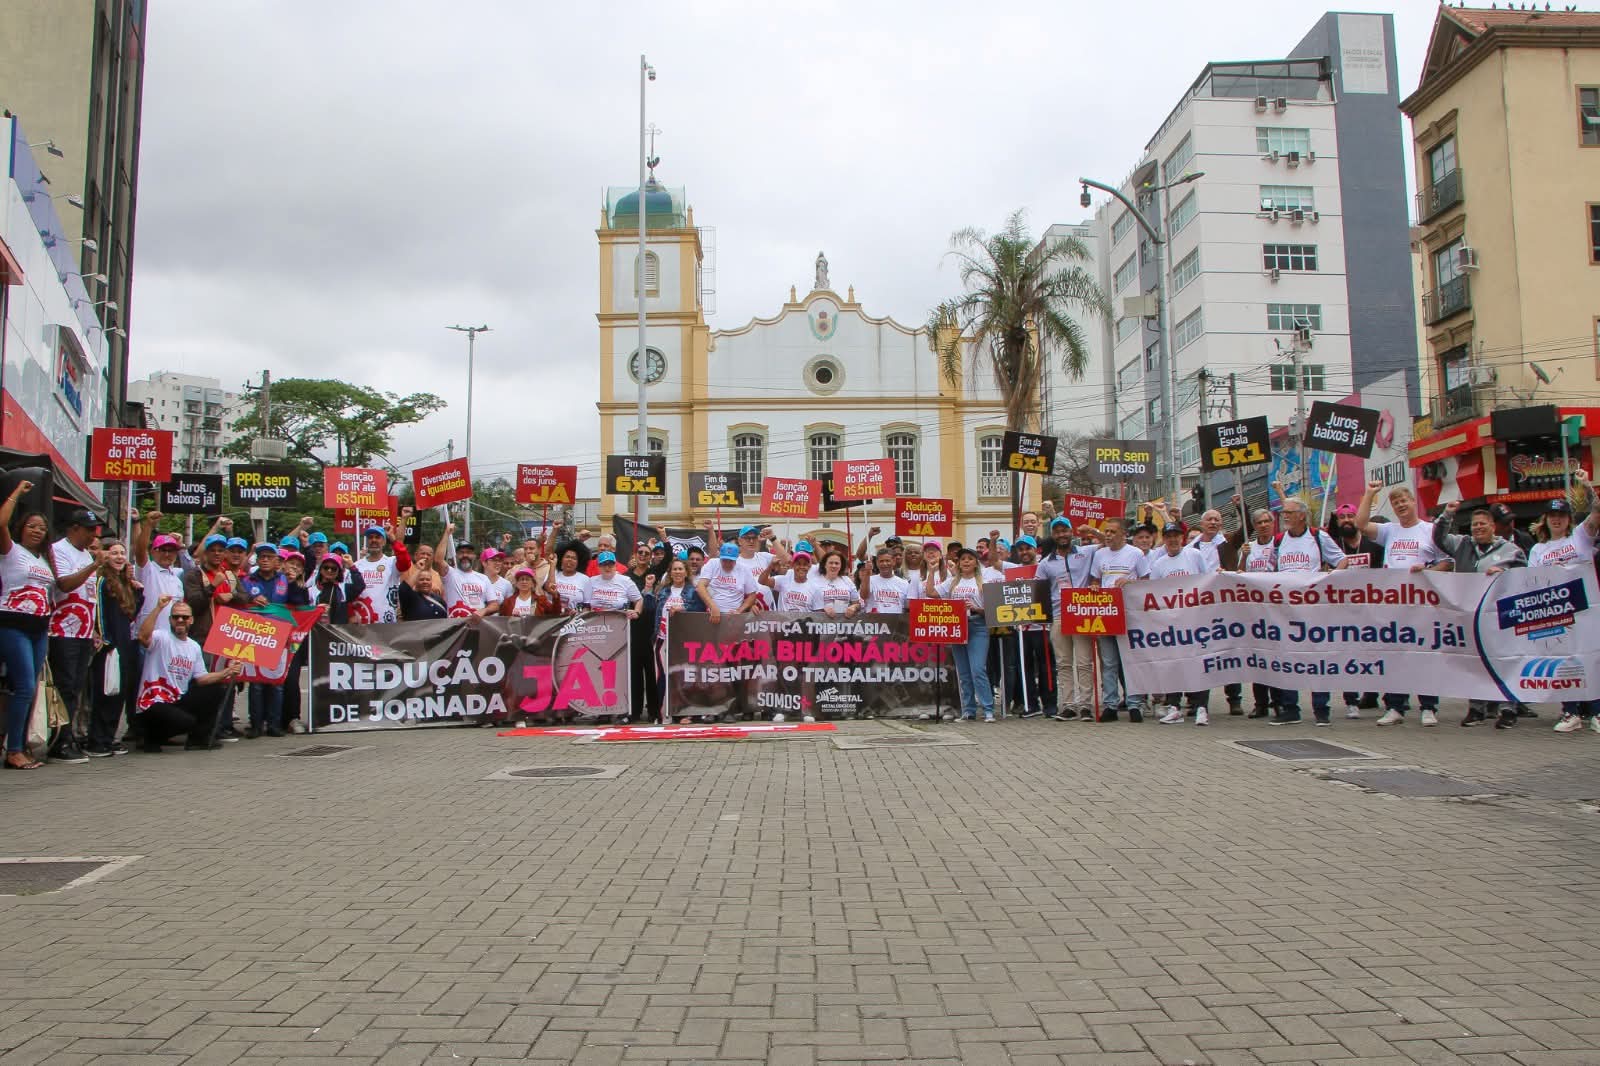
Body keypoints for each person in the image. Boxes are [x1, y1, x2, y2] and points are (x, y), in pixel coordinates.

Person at [1, 482, 91, 768]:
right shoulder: (11, 551)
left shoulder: (44, 559)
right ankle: (13, 749)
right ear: (21, 528)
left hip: (40, 629)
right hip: (12, 625)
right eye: (32, 526)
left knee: (30, 689)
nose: (37, 531)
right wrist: (16, 494)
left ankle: (21, 743)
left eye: (42, 527)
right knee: (25, 686)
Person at [1356, 481, 1447, 726]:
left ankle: (1429, 707)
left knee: (1423, 655)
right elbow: (1361, 525)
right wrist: (1370, 493)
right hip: (1394, 606)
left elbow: (1447, 562)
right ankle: (1395, 706)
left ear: (1413, 502)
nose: (1400, 506)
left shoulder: (1430, 530)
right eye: (1396, 503)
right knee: (1395, 656)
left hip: (1422, 605)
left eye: (1404, 501)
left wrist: (1426, 570)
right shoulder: (1390, 531)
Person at [1434, 501, 1528, 728]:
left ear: (1493, 526)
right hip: (1471, 615)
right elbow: (1438, 537)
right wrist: (1447, 514)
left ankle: (1508, 709)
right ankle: (1476, 709)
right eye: (1474, 524)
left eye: (1482, 524)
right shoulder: (1462, 544)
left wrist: (1504, 573)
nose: (1477, 528)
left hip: (1501, 616)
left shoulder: (1511, 550)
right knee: (1475, 663)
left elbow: (1526, 578)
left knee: (1504, 663)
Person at [1268, 497, 1346, 726]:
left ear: (1302, 515)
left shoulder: (1318, 537)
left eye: (1289, 512)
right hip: (1286, 609)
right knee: (1287, 657)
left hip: (1313, 609)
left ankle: (1321, 709)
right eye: (1283, 513)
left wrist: (1328, 580)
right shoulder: (1279, 541)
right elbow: (1270, 570)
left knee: (1316, 658)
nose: (1285, 517)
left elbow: (1342, 561)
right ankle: (1290, 708)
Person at [135, 595, 242, 751]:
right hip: (153, 703)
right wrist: (158, 608)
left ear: (191, 620)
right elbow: (143, 636)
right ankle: (150, 737)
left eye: (184, 617)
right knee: (185, 721)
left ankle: (198, 739)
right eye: (176, 617)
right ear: (170, 619)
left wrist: (227, 672)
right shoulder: (160, 637)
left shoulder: (193, 647)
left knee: (215, 690)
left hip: (176, 700)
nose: (180, 620)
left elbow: (202, 679)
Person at [1531, 491, 1600, 733]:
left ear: (1569, 519)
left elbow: (1596, 514)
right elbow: (1530, 581)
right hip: (1557, 614)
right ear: (1546, 519)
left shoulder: (1579, 539)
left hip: (1585, 611)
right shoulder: (1538, 550)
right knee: (1563, 662)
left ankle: (1596, 711)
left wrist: (1588, 488)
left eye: (1561, 515)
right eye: (1552, 515)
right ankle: (1570, 711)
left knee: (1590, 658)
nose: (1556, 520)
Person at [46, 507, 104, 760]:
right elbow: (65, 584)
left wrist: (93, 629)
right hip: (62, 630)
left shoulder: (83, 555)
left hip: (83, 632)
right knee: (64, 686)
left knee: (77, 687)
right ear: (74, 528)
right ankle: (59, 741)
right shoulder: (59, 550)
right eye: (90, 529)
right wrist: (93, 567)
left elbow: (89, 597)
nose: (94, 535)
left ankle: (68, 737)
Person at [1147, 522, 1214, 726]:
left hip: (1195, 620)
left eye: (1176, 535)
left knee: (1198, 663)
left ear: (1182, 538)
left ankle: (1201, 707)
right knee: (1174, 665)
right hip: (1172, 624)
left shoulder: (1194, 556)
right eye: (1169, 536)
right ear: (1164, 540)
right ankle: (1174, 707)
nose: (1173, 540)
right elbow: (1154, 593)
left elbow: (1206, 581)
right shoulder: (1159, 565)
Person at [926, 546, 1002, 721]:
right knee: (964, 672)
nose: (966, 561)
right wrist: (931, 572)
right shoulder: (953, 582)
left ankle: (988, 708)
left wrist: (976, 608)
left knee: (978, 669)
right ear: (958, 564)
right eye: (963, 559)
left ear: (976, 563)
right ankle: (968, 710)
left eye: (970, 558)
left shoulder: (983, 582)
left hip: (978, 626)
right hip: (957, 628)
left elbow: (992, 610)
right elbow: (931, 593)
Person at [85, 538, 142, 757]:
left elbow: (130, 616)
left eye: (122, 553)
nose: (119, 557)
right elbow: (97, 610)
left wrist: (138, 591)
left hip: (124, 646)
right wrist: (105, 641)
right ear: (105, 556)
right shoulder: (101, 581)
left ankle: (109, 738)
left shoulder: (125, 583)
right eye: (114, 552)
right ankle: (97, 740)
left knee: (118, 693)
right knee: (104, 692)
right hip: (109, 647)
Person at [1088, 518, 1149, 722]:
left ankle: (1134, 704)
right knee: (1108, 662)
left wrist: (1130, 581)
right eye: (1106, 531)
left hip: (1129, 613)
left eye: (1113, 532)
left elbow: (1147, 582)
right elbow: (1095, 578)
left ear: (1123, 534)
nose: (1108, 535)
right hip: (1105, 614)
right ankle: (1110, 705)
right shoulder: (1099, 554)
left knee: (1129, 661)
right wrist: (1095, 586)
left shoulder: (1136, 554)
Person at [1039, 518, 1099, 721]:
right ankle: (1068, 705)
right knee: (1063, 663)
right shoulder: (1046, 563)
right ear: (1052, 535)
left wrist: (1091, 530)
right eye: (1057, 532)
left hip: (1082, 614)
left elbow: (1111, 542)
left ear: (1071, 532)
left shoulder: (1087, 552)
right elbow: (1038, 591)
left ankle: (1085, 705)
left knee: (1084, 662)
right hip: (1058, 615)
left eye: (1065, 530)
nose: (1061, 535)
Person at [652, 557, 706, 722]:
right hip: (663, 639)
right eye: (674, 569)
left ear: (686, 572)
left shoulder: (693, 591)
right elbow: (653, 611)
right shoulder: (662, 591)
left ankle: (684, 712)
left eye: (680, 569)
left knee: (684, 676)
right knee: (663, 676)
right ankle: (663, 713)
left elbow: (700, 609)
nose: (677, 572)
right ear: (670, 573)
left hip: (684, 641)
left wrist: (683, 608)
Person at [432, 525, 501, 618]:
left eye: (468, 552)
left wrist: (484, 611)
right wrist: (447, 533)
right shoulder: (450, 574)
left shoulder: (483, 578)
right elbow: (438, 560)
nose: (465, 555)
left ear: (474, 556)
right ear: (456, 556)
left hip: (477, 626)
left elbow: (495, 605)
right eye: (461, 552)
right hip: (455, 627)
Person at [133, 510, 187, 629]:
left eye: (171, 550)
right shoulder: (148, 571)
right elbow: (140, 551)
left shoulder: (177, 580)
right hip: (148, 637)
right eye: (163, 550)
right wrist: (148, 526)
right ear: (153, 551)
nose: (167, 554)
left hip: (170, 639)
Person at [696, 542, 761, 621]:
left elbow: (752, 595)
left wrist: (739, 611)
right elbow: (701, 586)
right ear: (720, 557)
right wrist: (712, 606)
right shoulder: (712, 563)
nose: (727, 563)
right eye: (724, 560)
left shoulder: (744, 569)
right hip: (711, 613)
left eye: (731, 561)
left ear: (737, 558)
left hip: (734, 615)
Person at [395, 541, 450, 620]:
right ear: (416, 555)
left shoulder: (438, 577)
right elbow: (404, 589)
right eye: (423, 553)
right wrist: (418, 569)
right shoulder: (407, 569)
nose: (425, 556)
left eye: (428, 580)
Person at [765, 540, 820, 611]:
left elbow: (828, 563)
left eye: (808, 552)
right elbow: (764, 581)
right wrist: (771, 566)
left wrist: (816, 545)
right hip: (784, 620)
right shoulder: (787, 574)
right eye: (799, 563)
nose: (802, 567)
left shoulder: (816, 570)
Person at [809, 550, 861, 617]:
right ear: (825, 564)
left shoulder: (847, 580)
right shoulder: (815, 582)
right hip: (822, 623)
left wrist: (854, 607)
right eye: (831, 563)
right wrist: (823, 609)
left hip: (844, 623)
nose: (834, 566)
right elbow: (809, 606)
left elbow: (857, 604)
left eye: (837, 563)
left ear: (841, 566)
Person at [860, 547, 910, 614]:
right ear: (877, 563)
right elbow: (864, 596)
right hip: (875, 622)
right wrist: (867, 573)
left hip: (896, 623)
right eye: (881, 561)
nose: (884, 564)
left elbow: (908, 607)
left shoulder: (904, 583)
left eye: (887, 561)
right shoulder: (870, 580)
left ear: (894, 561)